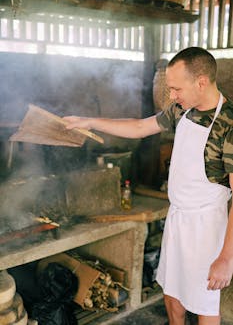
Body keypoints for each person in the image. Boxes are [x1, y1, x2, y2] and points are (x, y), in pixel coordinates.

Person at [63, 47, 233, 325]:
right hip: (178, 219)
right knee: (172, 294)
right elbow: (140, 127)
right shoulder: (182, 110)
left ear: (201, 82)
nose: (172, 96)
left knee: (204, 303)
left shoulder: (229, 126)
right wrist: (90, 121)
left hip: (208, 228)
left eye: (177, 88)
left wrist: (226, 257)